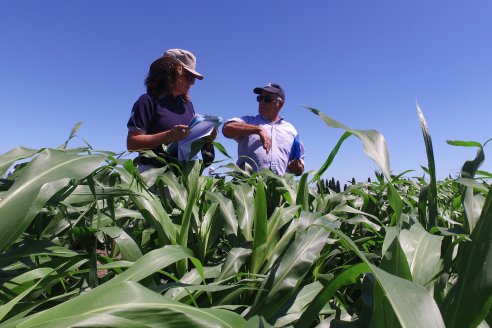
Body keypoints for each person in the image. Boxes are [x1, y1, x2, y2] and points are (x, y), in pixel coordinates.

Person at [126, 49, 216, 172]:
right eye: (189, 77)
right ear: (171, 73)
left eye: (193, 79)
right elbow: (132, 144)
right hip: (154, 174)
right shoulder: (147, 101)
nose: (192, 83)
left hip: (183, 175)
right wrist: (169, 135)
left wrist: (206, 138)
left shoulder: (187, 106)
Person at [222, 83, 305, 176]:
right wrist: (257, 129)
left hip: (279, 186)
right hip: (247, 187)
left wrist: (298, 168)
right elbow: (227, 129)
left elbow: (299, 163)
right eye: (259, 98)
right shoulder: (249, 122)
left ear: (280, 104)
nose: (261, 102)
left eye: (267, 99)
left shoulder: (291, 130)